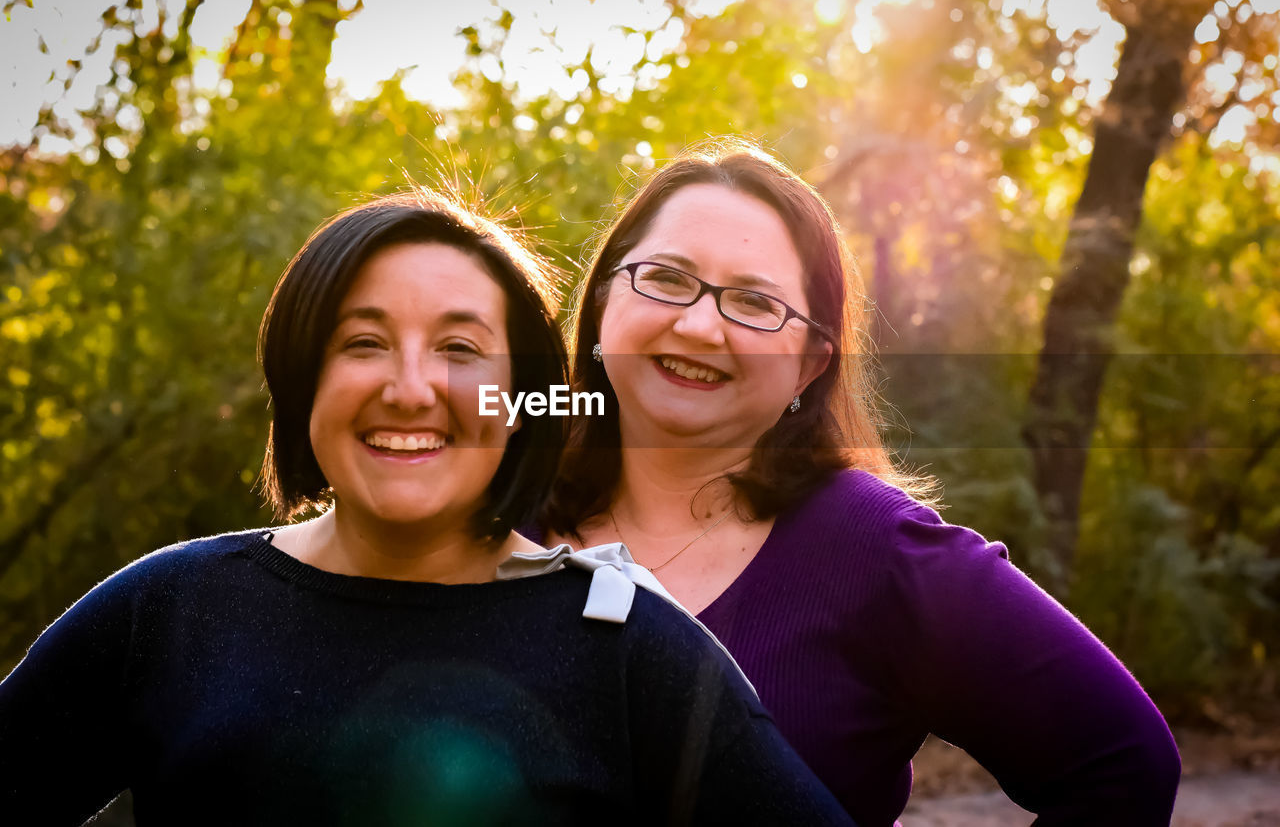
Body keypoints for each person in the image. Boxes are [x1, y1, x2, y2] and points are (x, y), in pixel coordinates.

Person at [0, 190, 855, 826]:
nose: (410, 390)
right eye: (363, 342)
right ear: (303, 382)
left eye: (459, 349)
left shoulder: (633, 646)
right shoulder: (169, 611)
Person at [543, 139, 1182, 825]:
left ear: (812, 362)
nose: (699, 325)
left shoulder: (877, 551)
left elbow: (1124, 761)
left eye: (754, 302)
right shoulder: (491, 511)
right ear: (605, 297)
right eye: (667, 278)